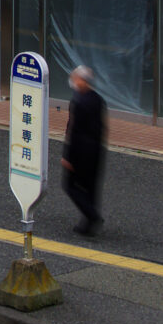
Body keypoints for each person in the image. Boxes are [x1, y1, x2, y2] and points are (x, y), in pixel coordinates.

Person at [63, 65, 108, 236]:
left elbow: (73, 131)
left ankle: (92, 216)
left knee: (70, 185)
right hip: (97, 148)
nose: (73, 82)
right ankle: (87, 224)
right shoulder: (98, 99)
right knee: (91, 187)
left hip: (80, 150)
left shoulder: (78, 102)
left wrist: (67, 156)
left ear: (82, 81)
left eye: (75, 79)